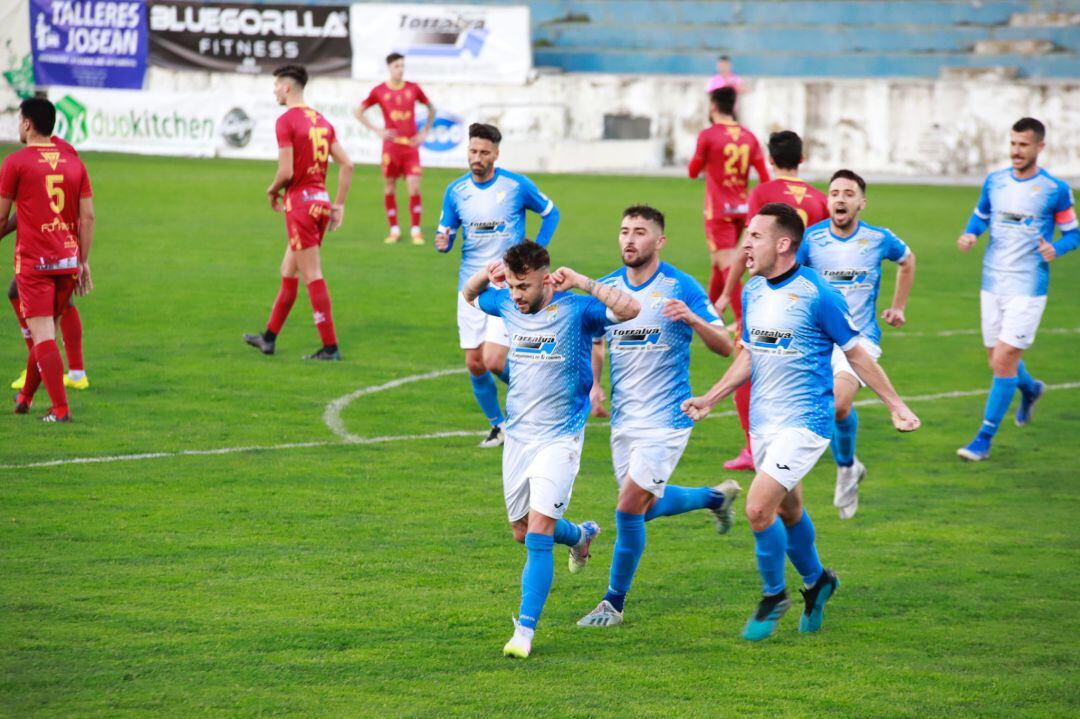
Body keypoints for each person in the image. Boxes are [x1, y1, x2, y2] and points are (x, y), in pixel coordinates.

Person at [682, 203, 920, 642]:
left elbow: (856, 353)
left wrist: (895, 404)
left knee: (757, 509)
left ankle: (775, 596)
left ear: (784, 244)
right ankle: (818, 582)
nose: (745, 243)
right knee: (789, 510)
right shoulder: (753, 291)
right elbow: (750, 353)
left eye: (755, 236)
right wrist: (712, 397)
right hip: (764, 422)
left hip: (806, 422)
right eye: (746, 235)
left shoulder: (818, 295)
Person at [461, 240, 640, 658]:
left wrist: (581, 280)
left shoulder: (577, 310)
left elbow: (630, 310)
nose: (517, 295)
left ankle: (523, 632)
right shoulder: (507, 304)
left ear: (546, 279)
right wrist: (487, 275)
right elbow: (469, 297)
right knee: (522, 533)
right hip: (519, 440)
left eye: (524, 286)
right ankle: (580, 535)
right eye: (513, 285)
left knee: (538, 534)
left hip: (560, 440)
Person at [575, 204, 740, 629]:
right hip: (624, 421)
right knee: (643, 511)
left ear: (659, 241)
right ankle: (714, 498)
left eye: (641, 232)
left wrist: (692, 319)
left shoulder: (680, 286)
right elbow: (595, 340)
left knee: (628, 507)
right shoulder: (608, 288)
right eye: (625, 230)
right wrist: (595, 385)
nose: (630, 239)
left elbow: (725, 345)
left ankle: (613, 603)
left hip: (668, 418)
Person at [956, 117, 1077, 461]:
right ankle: (1031, 388)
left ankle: (983, 439)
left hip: (1028, 287)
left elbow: (1073, 234)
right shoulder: (994, 181)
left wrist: (1058, 248)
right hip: (992, 282)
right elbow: (981, 215)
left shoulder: (1054, 190)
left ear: (1040, 147)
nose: (1016, 151)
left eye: (1023, 145)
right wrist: (971, 234)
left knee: (1005, 358)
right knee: (997, 361)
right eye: (1012, 144)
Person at [798, 170, 916, 519]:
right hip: (819, 340)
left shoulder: (879, 239)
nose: (840, 199)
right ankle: (848, 466)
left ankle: (845, 467)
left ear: (861, 203)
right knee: (839, 409)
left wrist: (898, 307)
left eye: (849, 193)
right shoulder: (811, 239)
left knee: (837, 404)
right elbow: (794, 278)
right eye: (834, 192)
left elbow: (907, 260)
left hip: (861, 339)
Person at [436, 123, 560, 448]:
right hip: (470, 288)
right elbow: (446, 234)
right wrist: (442, 241)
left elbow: (551, 213)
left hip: (508, 289)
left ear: (496, 154)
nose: (477, 157)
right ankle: (500, 426)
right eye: (473, 151)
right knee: (474, 362)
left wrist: (534, 252)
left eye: (484, 152)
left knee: (493, 360)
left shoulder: (516, 186)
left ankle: (542, 398)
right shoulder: (455, 191)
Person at [717, 130, 828, 472]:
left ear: (769, 160)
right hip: (807, 295)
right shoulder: (818, 198)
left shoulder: (763, 192)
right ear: (802, 159)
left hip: (769, 292)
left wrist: (724, 293)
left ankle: (752, 448)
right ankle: (804, 436)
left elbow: (748, 246)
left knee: (747, 366)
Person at [244, 64, 353, 361]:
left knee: (312, 274)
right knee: (288, 270)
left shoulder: (286, 121)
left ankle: (330, 347)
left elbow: (286, 171)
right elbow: (348, 164)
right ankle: (268, 337)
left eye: (277, 85)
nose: (275, 90)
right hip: (320, 204)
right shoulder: (322, 121)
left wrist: (271, 190)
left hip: (301, 207)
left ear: (288, 87)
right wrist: (338, 205)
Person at [0, 97, 95, 421]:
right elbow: (89, 217)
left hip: (36, 262)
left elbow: (3, 216)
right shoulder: (73, 160)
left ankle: (61, 409)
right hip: (67, 260)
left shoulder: (15, 162)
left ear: (27, 123)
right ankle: (26, 397)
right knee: (47, 333)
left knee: (42, 336)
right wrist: (83, 261)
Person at [688, 87, 769, 318]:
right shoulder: (749, 136)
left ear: (713, 106)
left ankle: (744, 321)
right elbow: (764, 178)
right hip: (744, 211)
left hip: (719, 211)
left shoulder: (708, 135)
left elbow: (693, 171)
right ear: (734, 107)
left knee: (727, 265)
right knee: (718, 262)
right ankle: (707, 316)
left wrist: (706, 159)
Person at [356, 53, 435, 245]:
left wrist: (424, 132)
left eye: (402, 66)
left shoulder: (413, 88)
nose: (400, 69)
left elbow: (432, 108)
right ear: (389, 68)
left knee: (414, 186)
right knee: (390, 187)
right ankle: (394, 229)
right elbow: (358, 111)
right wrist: (378, 130)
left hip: (410, 147)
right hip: (391, 147)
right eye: (397, 66)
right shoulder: (379, 91)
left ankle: (416, 230)